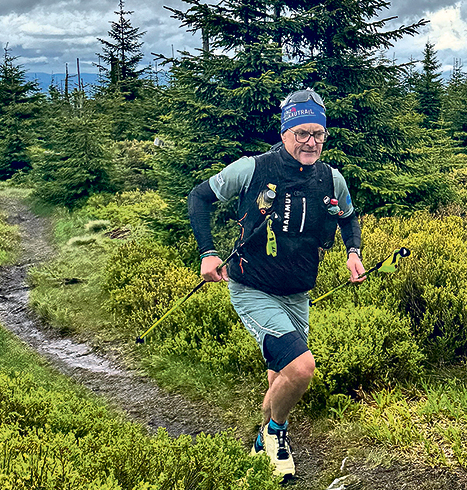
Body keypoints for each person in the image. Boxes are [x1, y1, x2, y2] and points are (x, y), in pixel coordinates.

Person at [186, 88, 365, 478]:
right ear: (285, 132)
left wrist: (353, 252)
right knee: (301, 369)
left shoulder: (331, 179)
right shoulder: (252, 169)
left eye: (318, 133)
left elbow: (349, 217)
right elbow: (199, 198)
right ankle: (276, 433)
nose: (311, 142)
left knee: (280, 375)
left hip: (298, 292)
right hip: (252, 287)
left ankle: (259, 445)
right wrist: (207, 253)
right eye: (302, 133)